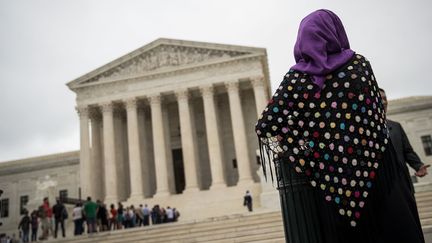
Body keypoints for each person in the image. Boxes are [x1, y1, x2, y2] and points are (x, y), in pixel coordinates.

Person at [255, 9, 424, 243]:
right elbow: (375, 117)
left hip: (329, 183)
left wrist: (308, 146)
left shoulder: (296, 79)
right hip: (378, 172)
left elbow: (266, 125)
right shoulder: (358, 65)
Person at [379, 88, 430, 194]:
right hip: (383, 188)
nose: (384, 102)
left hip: (403, 185)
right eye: (380, 99)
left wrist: (418, 166)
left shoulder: (396, 126)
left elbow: (407, 151)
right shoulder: (365, 129)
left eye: (385, 98)